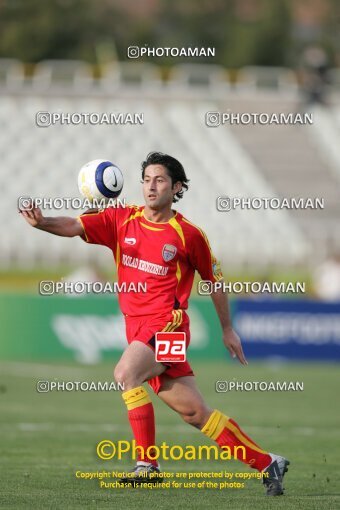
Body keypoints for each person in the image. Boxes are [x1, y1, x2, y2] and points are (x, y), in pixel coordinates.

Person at [19, 151, 289, 496]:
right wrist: (41, 223)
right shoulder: (121, 219)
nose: (151, 186)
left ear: (177, 187)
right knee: (195, 413)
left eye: (159, 180)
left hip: (168, 325)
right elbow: (74, 225)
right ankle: (268, 462)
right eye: (146, 179)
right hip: (138, 327)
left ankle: (147, 465)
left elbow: (214, 281)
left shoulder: (188, 234)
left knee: (126, 374)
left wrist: (226, 328)